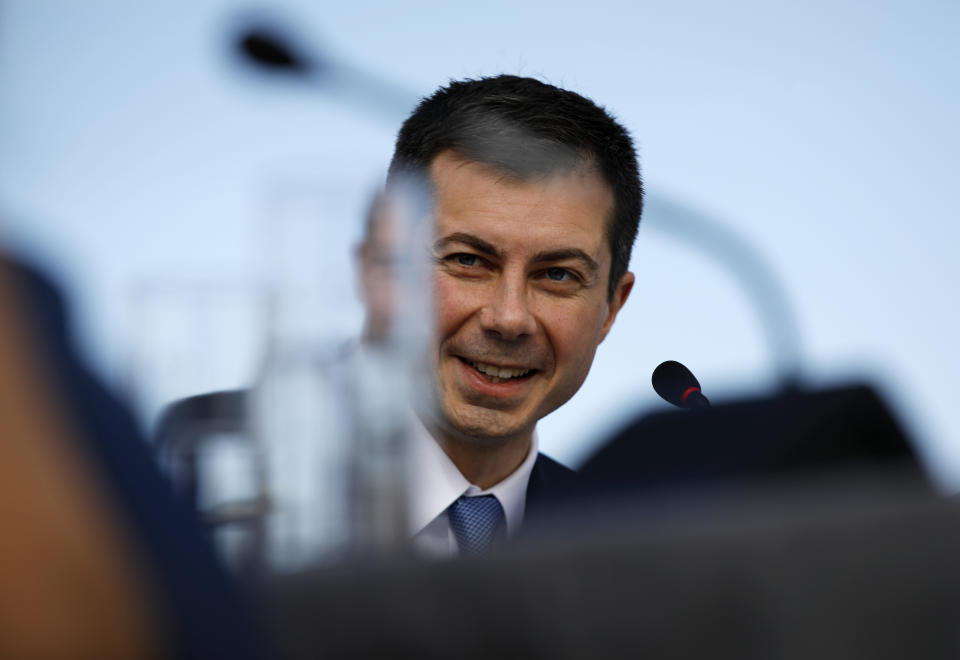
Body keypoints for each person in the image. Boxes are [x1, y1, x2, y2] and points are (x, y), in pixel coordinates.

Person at [363, 74, 643, 556]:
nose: (509, 318)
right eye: (467, 261)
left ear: (610, 308)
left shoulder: (632, 549)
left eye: (557, 275)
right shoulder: (243, 510)